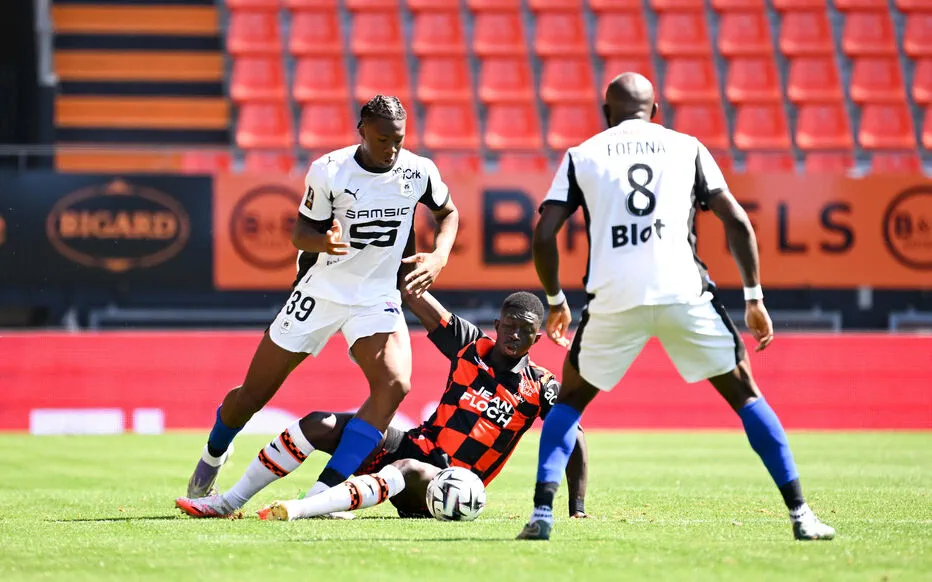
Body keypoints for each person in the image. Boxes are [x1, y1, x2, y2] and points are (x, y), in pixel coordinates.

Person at [516, 73, 836, 542]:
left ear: (607, 114)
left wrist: (555, 300)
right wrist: (754, 299)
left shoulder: (581, 156)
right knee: (746, 394)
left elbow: (544, 234)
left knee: (569, 401)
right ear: (656, 112)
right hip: (682, 291)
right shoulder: (687, 148)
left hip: (614, 296)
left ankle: (542, 516)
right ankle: (801, 515)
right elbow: (738, 221)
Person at [183, 95, 459, 504]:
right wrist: (324, 242)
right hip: (320, 291)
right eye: (383, 139)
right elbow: (300, 236)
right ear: (362, 130)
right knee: (253, 397)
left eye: (399, 139)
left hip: (375, 296)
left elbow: (448, 212)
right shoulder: (330, 171)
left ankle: (323, 494)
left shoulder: (419, 171)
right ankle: (213, 454)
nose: (392, 149)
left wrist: (439, 257)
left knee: (395, 384)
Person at [175, 291, 589, 521]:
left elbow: (572, 438)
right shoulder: (469, 345)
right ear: (497, 325)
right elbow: (414, 294)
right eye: (508, 327)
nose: (513, 336)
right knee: (318, 423)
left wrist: (576, 509)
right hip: (414, 444)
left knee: (406, 470)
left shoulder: (541, 387)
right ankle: (230, 502)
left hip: (449, 483)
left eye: (525, 332)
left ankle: (305, 508)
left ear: (537, 340)